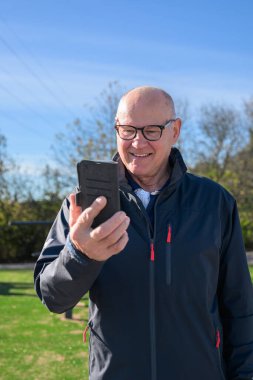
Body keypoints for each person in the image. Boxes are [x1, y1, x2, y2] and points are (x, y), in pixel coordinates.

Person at [34, 86, 253, 380]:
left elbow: (240, 309)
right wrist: (80, 255)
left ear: (175, 131)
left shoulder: (215, 203)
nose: (137, 142)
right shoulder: (84, 206)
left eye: (151, 130)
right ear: (116, 130)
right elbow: (52, 297)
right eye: (127, 130)